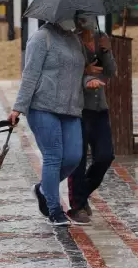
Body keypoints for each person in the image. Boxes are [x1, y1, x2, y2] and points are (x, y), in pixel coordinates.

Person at [8, 14, 105, 226]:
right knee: (53, 156)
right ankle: (54, 210)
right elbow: (30, 75)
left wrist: (90, 79)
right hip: (42, 107)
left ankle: (43, 189)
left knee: (73, 157)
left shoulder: (74, 40)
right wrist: (18, 108)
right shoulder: (40, 39)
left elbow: (81, 72)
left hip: (70, 108)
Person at [66, 17, 117, 225]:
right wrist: (86, 76)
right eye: (82, 17)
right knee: (78, 159)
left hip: (99, 109)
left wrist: (106, 51)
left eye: (89, 16)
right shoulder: (71, 42)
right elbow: (68, 75)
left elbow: (111, 72)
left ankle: (82, 194)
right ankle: (76, 206)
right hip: (79, 109)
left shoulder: (101, 38)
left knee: (105, 156)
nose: (86, 22)